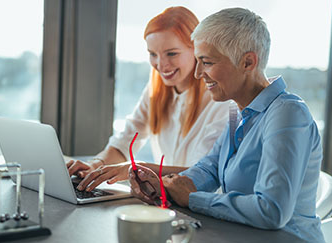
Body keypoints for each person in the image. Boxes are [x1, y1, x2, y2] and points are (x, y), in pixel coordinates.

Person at [130, 7, 325, 242]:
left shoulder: (288, 114)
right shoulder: (238, 112)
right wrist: (162, 186)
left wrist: (192, 198)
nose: (198, 73)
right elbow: (209, 169)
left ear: (247, 62)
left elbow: (272, 211)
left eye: (207, 62)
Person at [67, 6, 229, 192]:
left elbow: (205, 174)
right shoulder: (157, 91)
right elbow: (124, 142)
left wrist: (139, 169)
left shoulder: (221, 101)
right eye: (153, 54)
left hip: (200, 204)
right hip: (168, 200)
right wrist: (96, 164)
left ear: (196, 50)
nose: (161, 65)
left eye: (171, 53)